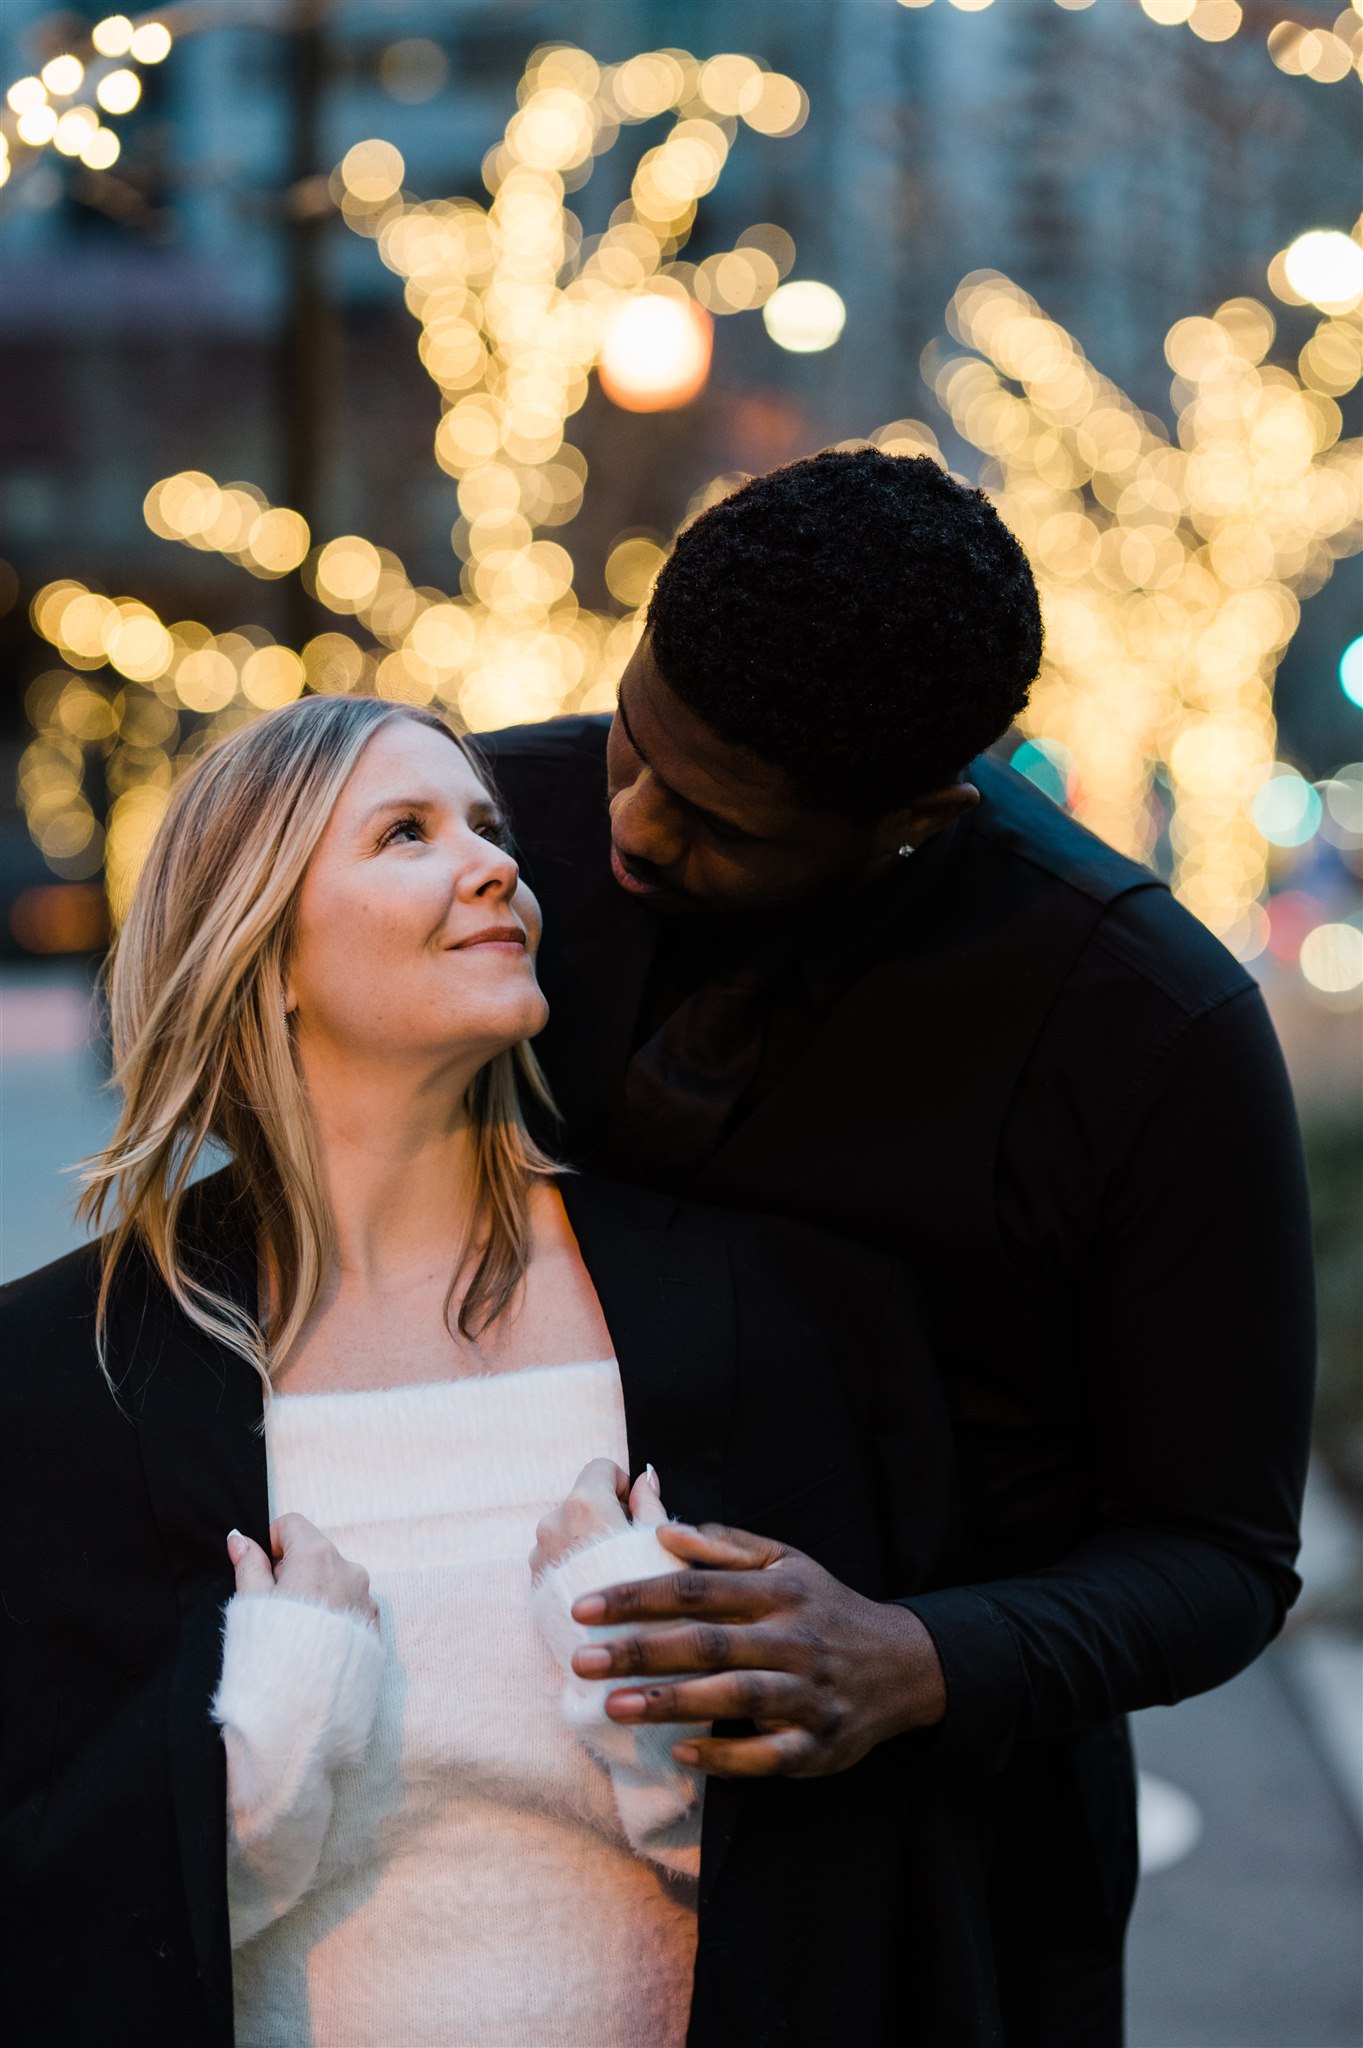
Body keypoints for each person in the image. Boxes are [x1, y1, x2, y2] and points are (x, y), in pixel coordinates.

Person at [0, 692, 999, 2048]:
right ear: (262, 947)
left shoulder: (776, 1314)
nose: (496, 868)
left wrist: (661, 1730)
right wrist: (271, 1744)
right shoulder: (71, 1370)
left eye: (490, 829)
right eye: (406, 833)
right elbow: (54, 1916)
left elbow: (878, 1885)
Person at [481, 446, 1317, 2047]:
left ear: (914, 819)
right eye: (633, 737)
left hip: (946, 1862)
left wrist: (914, 1659)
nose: (634, 831)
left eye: (721, 821)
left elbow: (1221, 1554)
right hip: (493, 1804)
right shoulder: (499, 825)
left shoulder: (1148, 1028)